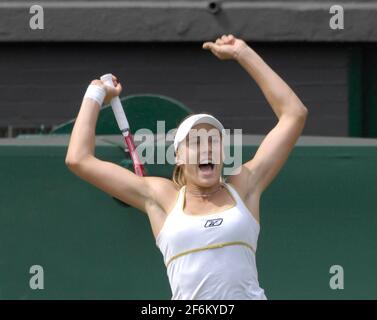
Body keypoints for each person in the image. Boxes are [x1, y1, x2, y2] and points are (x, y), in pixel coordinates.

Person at [65, 34, 308, 299]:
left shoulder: (245, 185)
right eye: (195, 141)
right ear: (179, 156)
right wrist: (96, 93)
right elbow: (79, 159)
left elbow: (294, 114)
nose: (206, 148)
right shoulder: (161, 198)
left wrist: (243, 53)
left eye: (213, 140)